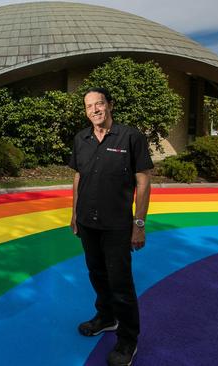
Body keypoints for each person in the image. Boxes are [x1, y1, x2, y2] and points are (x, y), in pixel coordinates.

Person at [69, 88, 153, 366]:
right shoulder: (80, 139)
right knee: (97, 274)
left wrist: (138, 224)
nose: (94, 110)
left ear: (110, 105)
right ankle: (106, 318)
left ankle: (128, 340)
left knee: (120, 283)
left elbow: (143, 182)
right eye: (89, 106)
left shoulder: (131, 137)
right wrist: (74, 214)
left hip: (117, 224)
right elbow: (78, 177)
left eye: (99, 104)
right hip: (87, 222)